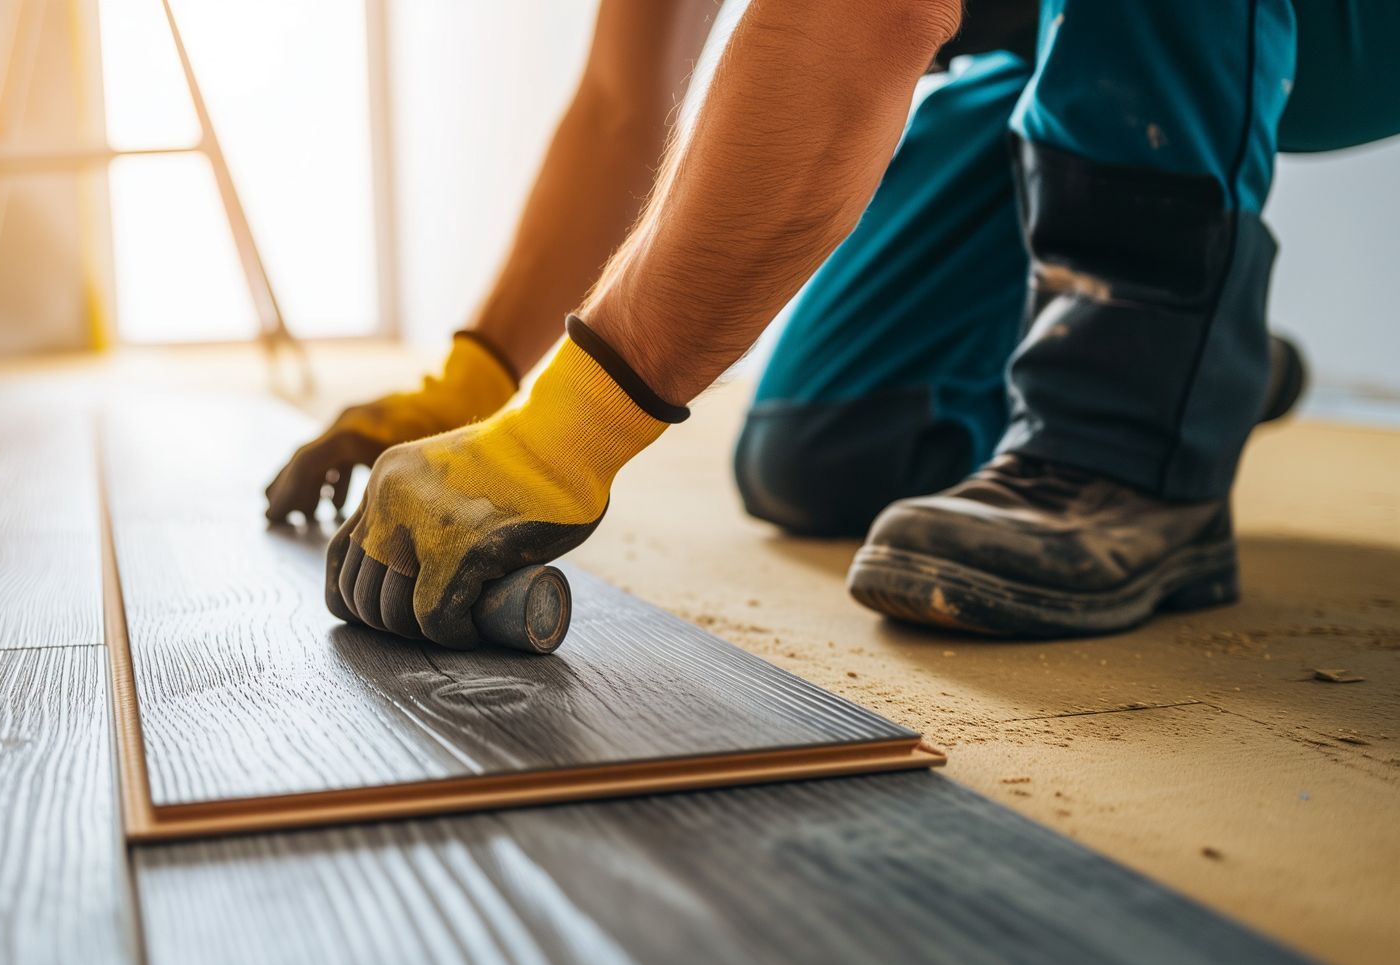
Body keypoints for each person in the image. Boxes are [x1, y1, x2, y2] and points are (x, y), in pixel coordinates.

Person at [265, 0, 1400, 648]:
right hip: (1064, 50)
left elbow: (862, 19)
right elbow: (623, 111)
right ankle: (1210, 362)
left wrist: (558, 437)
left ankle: (1129, 441)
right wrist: (475, 392)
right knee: (827, 448)